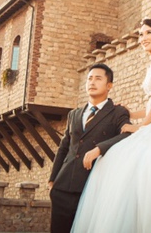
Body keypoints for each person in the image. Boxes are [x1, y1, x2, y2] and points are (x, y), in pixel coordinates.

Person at [71, 18, 151, 233]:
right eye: (141, 34)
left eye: (149, 33)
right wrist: (132, 114)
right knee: (110, 159)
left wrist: (141, 126)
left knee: (126, 159)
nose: (143, 38)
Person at [48, 63, 131, 233]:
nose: (92, 82)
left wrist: (99, 149)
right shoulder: (74, 114)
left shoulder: (118, 112)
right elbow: (64, 148)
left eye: (98, 79)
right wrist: (52, 180)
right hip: (62, 188)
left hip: (92, 188)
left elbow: (127, 134)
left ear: (109, 86)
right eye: (89, 79)